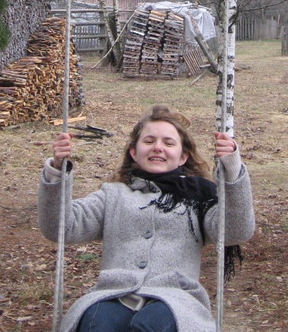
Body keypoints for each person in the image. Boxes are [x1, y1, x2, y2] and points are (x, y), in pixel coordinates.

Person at [38, 105, 255, 332]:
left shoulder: (199, 199)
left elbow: (236, 231)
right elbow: (61, 227)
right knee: (98, 323)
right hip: (113, 294)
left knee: (151, 324)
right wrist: (57, 171)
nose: (157, 148)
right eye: (149, 141)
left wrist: (232, 171)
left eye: (168, 143)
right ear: (134, 152)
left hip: (175, 300)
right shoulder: (112, 195)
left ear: (183, 156)